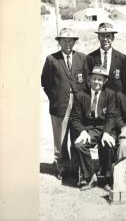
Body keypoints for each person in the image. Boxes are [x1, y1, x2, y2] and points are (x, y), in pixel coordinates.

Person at [41, 27, 86, 180]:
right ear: (59, 42)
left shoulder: (82, 58)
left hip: (78, 104)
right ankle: (62, 167)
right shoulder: (52, 59)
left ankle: (75, 168)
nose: (68, 43)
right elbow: (45, 83)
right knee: (60, 139)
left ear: (74, 42)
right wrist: (55, 98)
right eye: (64, 40)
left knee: (76, 136)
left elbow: (85, 81)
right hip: (59, 105)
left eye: (71, 40)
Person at [70, 65, 117, 191]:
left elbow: (112, 117)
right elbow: (74, 118)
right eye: (94, 78)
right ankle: (91, 177)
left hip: (105, 128)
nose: (97, 82)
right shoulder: (81, 95)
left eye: (100, 80)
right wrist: (83, 132)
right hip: (89, 129)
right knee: (80, 145)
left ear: (105, 81)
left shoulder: (110, 95)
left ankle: (107, 179)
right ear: (90, 79)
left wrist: (107, 132)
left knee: (108, 144)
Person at [83, 22, 126, 93]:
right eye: (103, 36)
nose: (105, 39)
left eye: (108, 36)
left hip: (116, 98)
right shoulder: (90, 57)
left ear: (113, 38)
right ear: (98, 37)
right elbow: (87, 79)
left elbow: (124, 81)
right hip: (98, 98)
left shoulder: (122, 58)